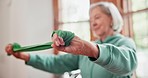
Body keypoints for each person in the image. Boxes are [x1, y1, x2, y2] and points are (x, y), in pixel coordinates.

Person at [5, 2, 137, 78]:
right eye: (91, 20)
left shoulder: (125, 43)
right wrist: (26, 56)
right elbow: (57, 63)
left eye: (97, 17)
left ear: (112, 18)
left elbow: (128, 64)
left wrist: (92, 50)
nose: (93, 23)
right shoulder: (86, 51)